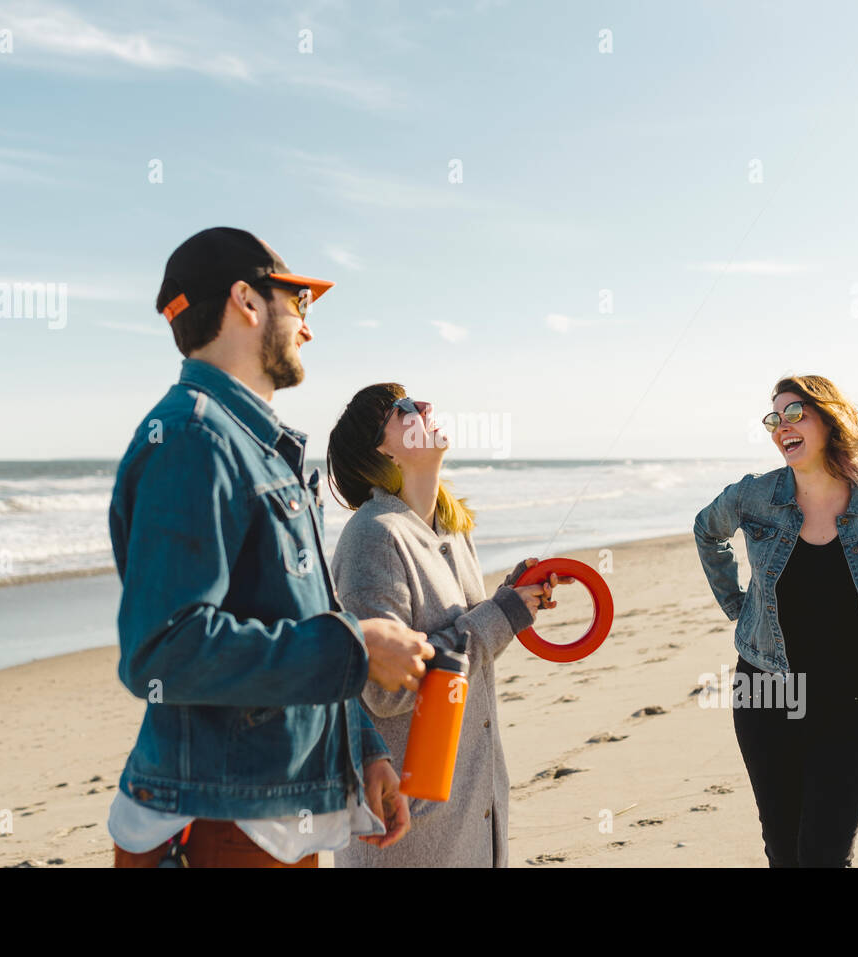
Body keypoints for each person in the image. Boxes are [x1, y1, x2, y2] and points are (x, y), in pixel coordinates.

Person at [106, 227, 435, 868]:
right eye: (300, 305)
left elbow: (299, 623)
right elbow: (162, 651)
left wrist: (361, 749)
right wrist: (359, 647)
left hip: (276, 818)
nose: (307, 328)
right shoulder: (192, 440)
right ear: (246, 302)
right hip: (214, 824)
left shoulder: (262, 450)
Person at [326, 384, 573, 867]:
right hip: (412, 834)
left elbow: (464, 642)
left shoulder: (451, 530)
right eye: (404, 410)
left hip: (474, 809)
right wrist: (500, 614)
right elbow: (385, 690)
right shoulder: (373, 536)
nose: (425, 407)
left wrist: (510, 599)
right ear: (381, 449)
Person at [692, 374, 858, 867]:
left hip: (856, 699)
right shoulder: (753, 497)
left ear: (828, 418)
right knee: (783, 851)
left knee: (822, 854)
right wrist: (741, 607)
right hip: (767, 692)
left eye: (795, 413)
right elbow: (706, 532)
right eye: (774, 419)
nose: (783, 426)